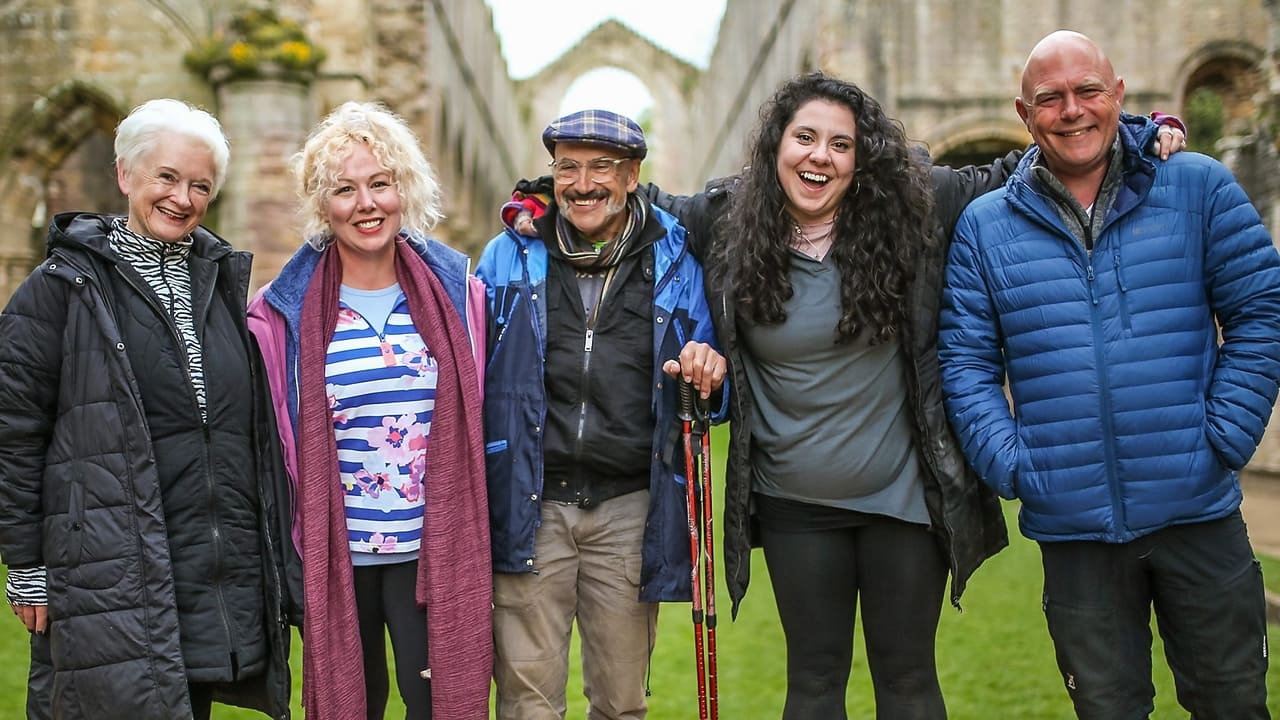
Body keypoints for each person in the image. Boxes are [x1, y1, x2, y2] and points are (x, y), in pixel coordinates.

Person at [503, 73, 1185, 719]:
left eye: (840, 143)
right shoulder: (729, 216)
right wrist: (537, 197)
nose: (819, 157)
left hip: (904, 496)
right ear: (776, 147)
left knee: (909, 675)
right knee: (815, 679)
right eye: (804, 138)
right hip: (796, 502)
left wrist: (1134, 131)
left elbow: (1012, 170)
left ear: (864, 159)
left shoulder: (917, 202)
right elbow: (630, 201)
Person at [939, 30, 1279, 719]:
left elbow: (1260, 309)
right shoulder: (986, 226)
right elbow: (966, 360)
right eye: (1051, 98)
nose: (1072, 110)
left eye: (1087, 91)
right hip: (1076, 535)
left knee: (1232, 704)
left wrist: (1225, 436)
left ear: (1118, 95)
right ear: (1024, 114)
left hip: (1198, 514)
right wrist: (1017, 466)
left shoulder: (1198, 186)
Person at [0, 98, 291, 719]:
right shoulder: (60, 288)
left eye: (200, 185)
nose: (182, 198)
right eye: (166, 177)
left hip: (209, 571)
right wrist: (26, 567)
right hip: (108, 568)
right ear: (125, 175)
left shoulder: (221, 286)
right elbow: (14, 434)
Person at [477, 108, 727, 720]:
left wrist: (707, 371)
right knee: (526, 703)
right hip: (530, 505)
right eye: (568, 168)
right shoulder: (508, 256)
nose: (582, 183)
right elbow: (467, 370)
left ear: (633, 175)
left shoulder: (674, 257)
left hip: (627, 510)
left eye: (601, 168)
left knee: (619, 704)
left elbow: (712, 393)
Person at [246, 101, 492, 720]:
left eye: (379, 184)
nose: (366, 204)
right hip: (338, 552)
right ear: (321, 206)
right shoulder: (282, 315)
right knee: (356, 704)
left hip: (428, 550)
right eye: (344, 190)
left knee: (431, 703)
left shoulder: (461, 296)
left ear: (401, 189)